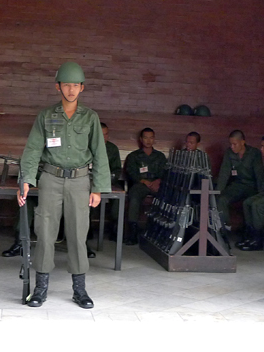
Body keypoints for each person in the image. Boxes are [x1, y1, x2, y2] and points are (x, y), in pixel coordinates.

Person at [17, 62, 110, 309]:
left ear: (82, 88)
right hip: (50, 179)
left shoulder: (90, 117)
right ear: (58, 87)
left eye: (76, 85)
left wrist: (98, 187)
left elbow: (100, 153)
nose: (71, 90)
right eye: (66, 85)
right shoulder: (46, 116)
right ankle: (40, 288)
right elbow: (33, 149)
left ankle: (79, 290)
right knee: (45, 232)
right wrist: (27, 180)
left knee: (79, 234)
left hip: (81, 181)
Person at [215, 130, 264, 238]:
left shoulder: (254, 153)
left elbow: (259, 175)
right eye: (231, 144)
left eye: (234, 144)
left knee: (249, 203)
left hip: (252, 186)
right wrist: (218, 191)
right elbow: (224, 173)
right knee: (221, 199)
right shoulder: (229, 153)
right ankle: (224, 228)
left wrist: (261, 193)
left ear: (242, 142)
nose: (232, 147)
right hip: (238, 185)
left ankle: (250, 233)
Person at [123, 127, 168, 245]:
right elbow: (131, 172)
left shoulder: (160, 156)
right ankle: (133, 231)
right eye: (146, 138)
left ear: (154, 139)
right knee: (134, 195)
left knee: (166, 196)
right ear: (141, 139)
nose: (148, 140)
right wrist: (143, 181)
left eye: (151, 138)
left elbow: (166, 173)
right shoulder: (134, 156)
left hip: (157, 185)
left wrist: (158, 181)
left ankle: (161, 231)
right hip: (140, 184)